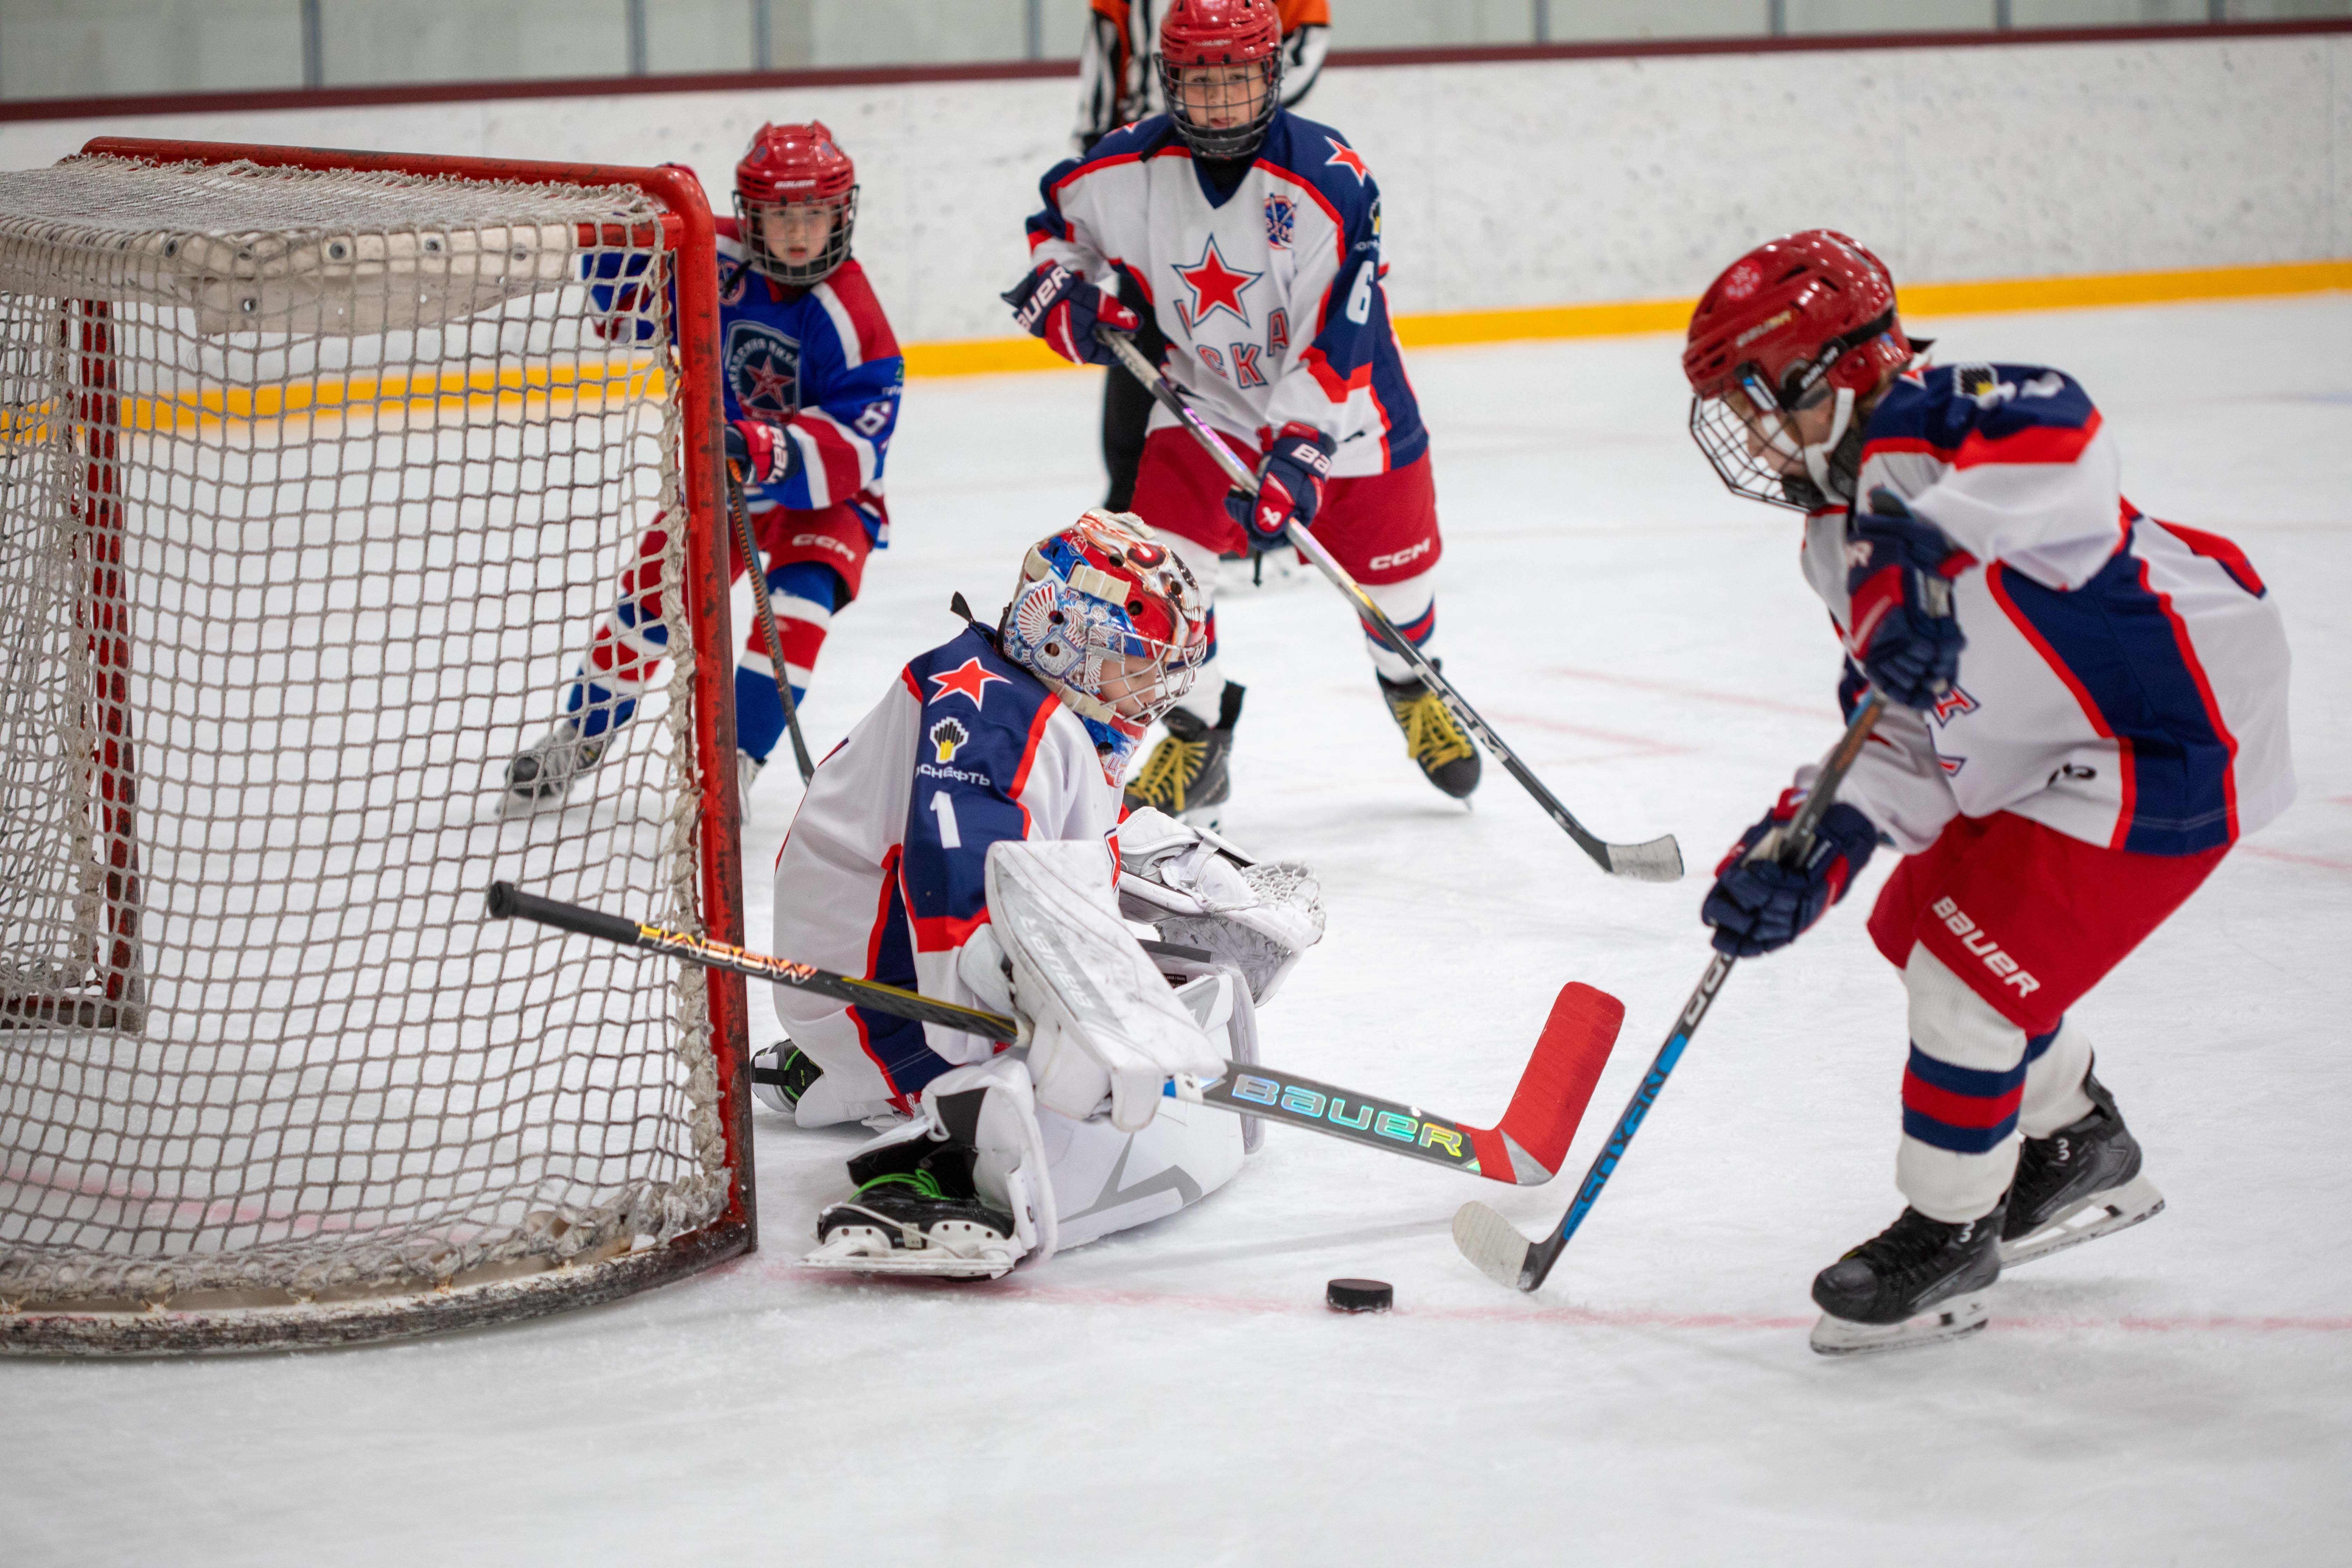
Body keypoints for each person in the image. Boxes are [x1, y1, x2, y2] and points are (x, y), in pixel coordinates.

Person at [1682, 230, 2294, 1354]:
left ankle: (1950, 1232)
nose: (1753, 430)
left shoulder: (1937, 421)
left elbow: (2060, 427)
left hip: (2172, 733)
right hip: (2066, 739)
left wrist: (1924, 547)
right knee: (1914, 920)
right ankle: (2073, 1143)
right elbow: (1914, 724)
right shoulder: (1832, 540)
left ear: (1837, 370)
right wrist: (1816, 839)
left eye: (1761, 395)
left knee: (1967, 975)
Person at [751, 509, 1327, 1276]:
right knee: (1059, 1062)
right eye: (1139, 661)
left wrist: (1184, 876)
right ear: (1062, 633)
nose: (1158, 689)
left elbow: (1060, 848)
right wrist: (1045, 1025)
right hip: (883, 989)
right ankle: (930, 1165)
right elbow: (956, 897)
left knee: (1132, 990)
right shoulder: (989, 717)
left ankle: (836, 1075)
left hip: (889, 961)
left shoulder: (1043, 704)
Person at [1010, 0, 1476, 829]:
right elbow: (1056, 228)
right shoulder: (1127, 167)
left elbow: (1337, 339)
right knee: (1165, 574)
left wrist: (1299, 453)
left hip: (1350, 411)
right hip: (1208, 402)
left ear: (1272, 74)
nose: (1220, 103)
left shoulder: (1330, 178)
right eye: (1199, 83)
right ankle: (1199, 732)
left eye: (1237, 80)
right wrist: (1060, 297)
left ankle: (1410, 680)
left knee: (1399, 588)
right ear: (1170, 82)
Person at [506, 122, 903, 811]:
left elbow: (860, 445)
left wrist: (759, 445)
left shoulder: (853, 313)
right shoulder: (709, 251)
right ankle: (581, 737)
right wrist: (631, 223)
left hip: (822, 495)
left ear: (843, 213)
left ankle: (737, 761)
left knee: (794, 612)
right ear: (751, 214)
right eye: (781, 215)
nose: (799, 233)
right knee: (649, 608)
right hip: (722, 482)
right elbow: (624, 308)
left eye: (814, 214)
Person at [1072, 0, 1330, 517]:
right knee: (1139, 339)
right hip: (1157, 172)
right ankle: (1131, 505)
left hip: (1256, 167)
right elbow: (1106, 59)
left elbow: (1305, 46)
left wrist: (1232, 111)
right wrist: (1099, 162)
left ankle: (1265, 505)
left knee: (1262, 339)